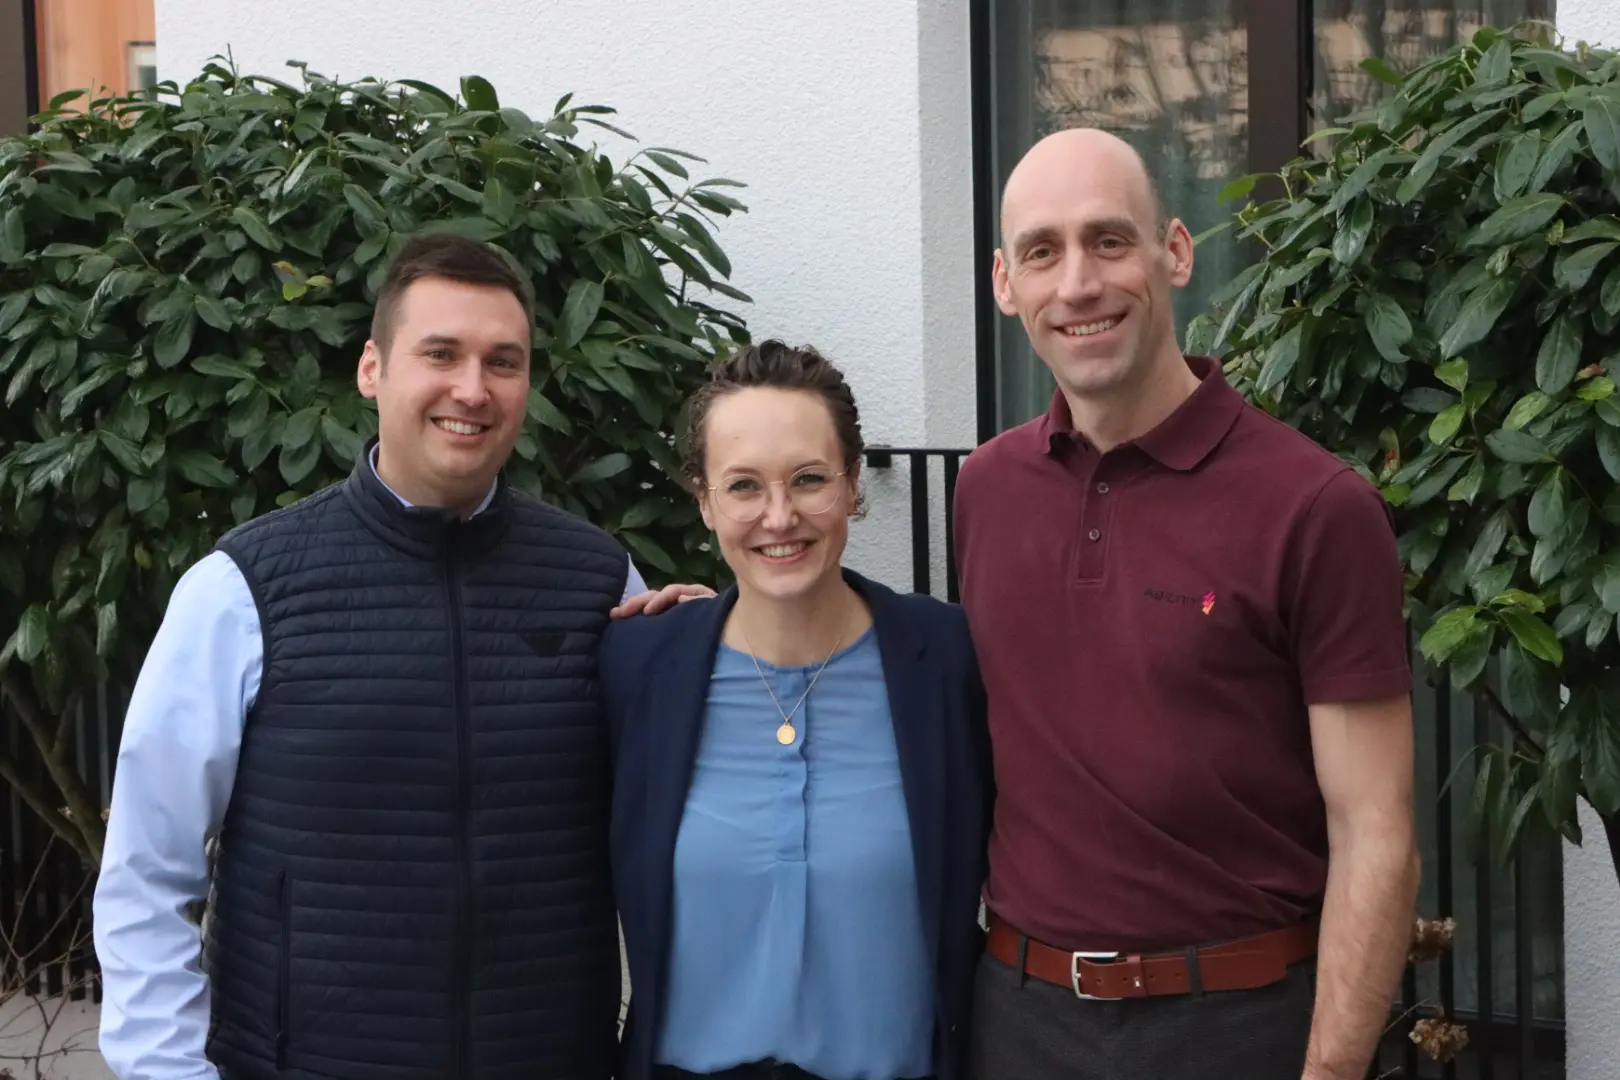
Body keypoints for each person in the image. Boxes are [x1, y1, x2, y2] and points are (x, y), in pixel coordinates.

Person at [92, 231, 707, 1080]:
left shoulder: (601, 580)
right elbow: (146, 873)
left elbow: (686, 832)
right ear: (371, 369)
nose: (473, 389)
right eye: (441, 354)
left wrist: (716, 665)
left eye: (504, 361)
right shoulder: (242, 589)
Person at [953, 127, 1421, 1080]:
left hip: (1238, 1029)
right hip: (1019, 1024)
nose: (1077, 283)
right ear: (1006, 285)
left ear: (1174, 251)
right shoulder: (986, 489)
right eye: (1043, 252)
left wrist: (1329, 1072)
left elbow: (1377, 829)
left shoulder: (1316, 507)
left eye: (1109, 241)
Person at [601, 341, 993, 1080]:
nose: (779, 517)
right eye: (743, 486)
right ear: (705, 500)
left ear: (852, 485)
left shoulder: (949, 663)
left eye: (809, 479)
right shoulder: (639, 667)